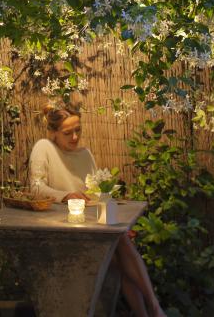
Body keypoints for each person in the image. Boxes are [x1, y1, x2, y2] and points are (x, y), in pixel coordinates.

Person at [29, 105, 167, 317]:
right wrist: (66, 195)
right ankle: (154, 308)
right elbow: (35, 187)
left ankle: (150, 311)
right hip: (62, 231)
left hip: (92, 226)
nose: (75, 137)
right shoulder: (44, 147)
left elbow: (97, 194)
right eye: (67, 133)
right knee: (121, 249)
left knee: (120, 247)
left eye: (78, 130)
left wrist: (113, 222)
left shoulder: (85, 154)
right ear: (53, 132)